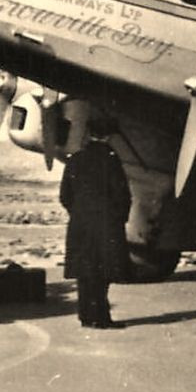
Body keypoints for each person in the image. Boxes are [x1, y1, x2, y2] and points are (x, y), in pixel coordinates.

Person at [59, 119, 132, 328]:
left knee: (85, 272)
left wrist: (79, 213)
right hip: (106, 226)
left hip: (80, 226)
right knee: (102, 273)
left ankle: (85, 316)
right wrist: (118, 218)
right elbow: (122, 194)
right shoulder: (111, 159)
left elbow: (65, 195)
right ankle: (101, 317)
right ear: (108, 136)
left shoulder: (75, 159)